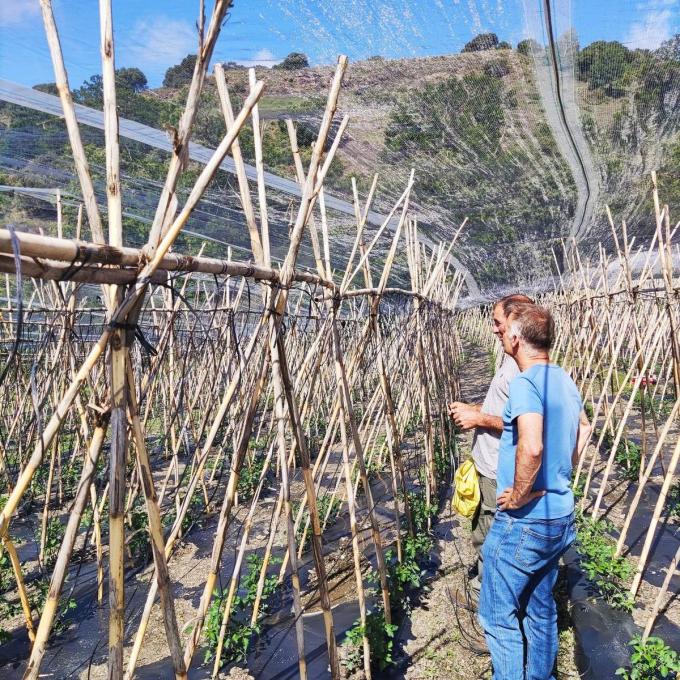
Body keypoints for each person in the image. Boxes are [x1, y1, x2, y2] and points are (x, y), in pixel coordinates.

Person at [478, 304, 591, 680]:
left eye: (505, 328)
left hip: (526, 522)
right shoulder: (564, 379)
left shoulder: (526, 383)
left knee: (498, 614)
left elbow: (531, 446)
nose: (501, 334)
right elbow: (584, 429)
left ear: (517, 338)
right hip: (560, 517)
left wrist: (524, 492)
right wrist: (559, 474)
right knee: (541, 608)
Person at [449, 293, 534, 603]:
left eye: (498, 322)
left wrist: (480, 418)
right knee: (483, 529)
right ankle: (488, 586)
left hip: (501, 470)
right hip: (488, 463)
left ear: (515, 324)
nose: (494, 329)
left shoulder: (525, 370)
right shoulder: (510, 359)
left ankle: (485, 596)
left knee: (494, 537)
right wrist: (474, 408)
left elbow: (529, 425)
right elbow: (506, 408)